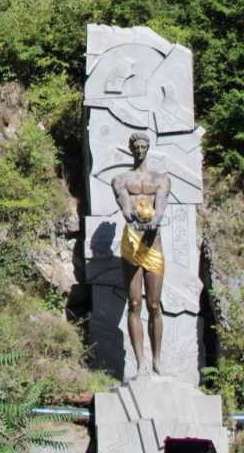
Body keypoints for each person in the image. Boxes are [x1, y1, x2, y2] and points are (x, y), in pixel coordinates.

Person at [112, 132, 170, 376]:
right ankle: (140, 362)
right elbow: (125, 206)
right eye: (135, 146)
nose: (139, 150)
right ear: (130, 148)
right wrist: (131, 215)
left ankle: (157, 359)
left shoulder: (161, 178)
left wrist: (154, 220)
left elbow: (161, 206)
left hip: (153, 241)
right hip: (132, 242)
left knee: (154, 304)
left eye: (143, 146)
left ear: (148, 148)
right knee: (134, 303)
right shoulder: (121, 179)